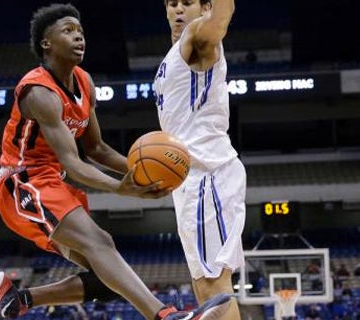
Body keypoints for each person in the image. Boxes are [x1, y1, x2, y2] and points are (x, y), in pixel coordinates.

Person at [0, 4, 230, 320]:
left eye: (80, 31)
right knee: (101, 243)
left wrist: (143, 173)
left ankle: (16, 300)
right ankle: (166, 316)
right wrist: (122, 188)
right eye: (68, 31)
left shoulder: (84, 82)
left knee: (111, 278)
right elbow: (75, 162)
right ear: (46, 44)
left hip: (50, 181)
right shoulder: (38, 92)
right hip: (22, 182)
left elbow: (97, 148)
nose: (78, 37)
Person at [152, 1, 243, 320]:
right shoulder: (173, 55)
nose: (178, 9)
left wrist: (215, 12)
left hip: (207, 173)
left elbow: (221, 18)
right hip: (191, 179)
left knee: (214, 289)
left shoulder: (198, 37)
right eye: (172, 3)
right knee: (206, 289)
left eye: (187, 3)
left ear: (203, 7)